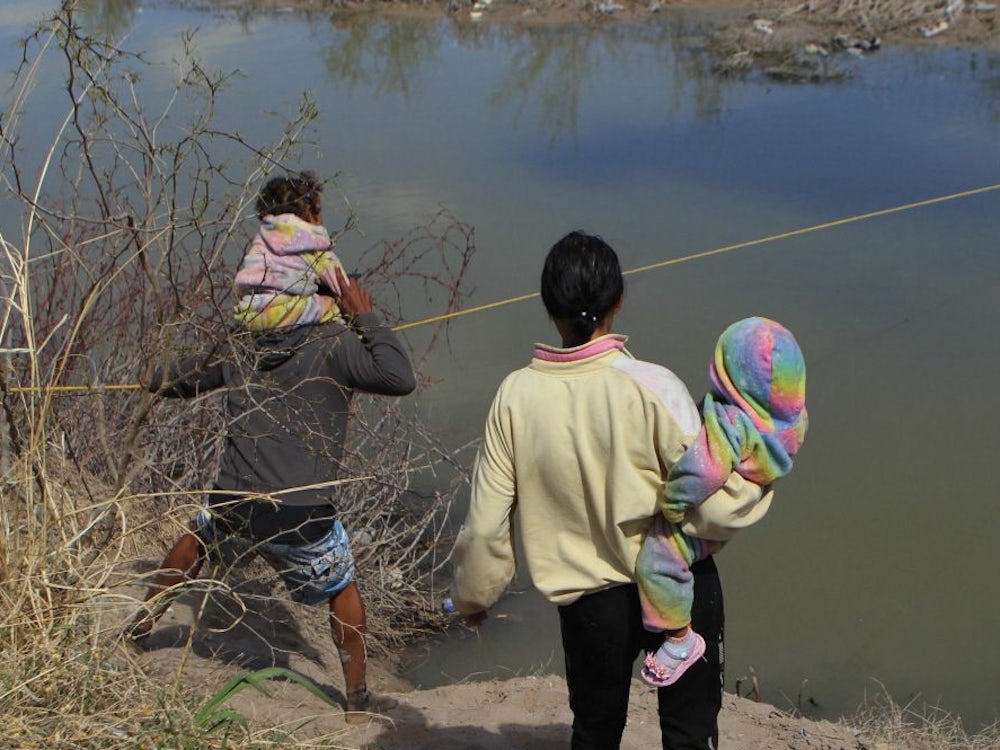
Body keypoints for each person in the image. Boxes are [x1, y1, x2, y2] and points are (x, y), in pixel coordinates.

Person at [449, 230, 768, 750]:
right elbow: (714, 501)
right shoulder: (655, 385)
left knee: (594, 733)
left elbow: (486, 525)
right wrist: (762, 476)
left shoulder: (515, 396)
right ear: (618, 302)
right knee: (692, 735)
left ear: (549, 306)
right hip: (681, 588)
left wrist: (474, 595)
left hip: (588, 606)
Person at [125, 257, 415, 725]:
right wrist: (366, 317)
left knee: (199, 536)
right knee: (342, 585)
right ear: (328, 299)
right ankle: (357, 700)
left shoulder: (243, 342)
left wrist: (148, 376)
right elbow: (400, 377)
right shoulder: (337, 345)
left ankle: (140, 627)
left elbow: (185, 378)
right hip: (301, 518)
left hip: (235, 503)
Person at [635, 317, 808, 688]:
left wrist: (673, 505)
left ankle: (680, 640)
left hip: (702, 517)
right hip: (732, 522)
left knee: (659, 558)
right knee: (696, 552)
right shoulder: (793, 423)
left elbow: (704, 473)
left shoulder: (733, 423)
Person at [234, 170, 349, 331]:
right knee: (332, 308)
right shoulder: (312, 244)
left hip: (249, 314)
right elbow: (343, 288)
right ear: (310, 213)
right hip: (284, 315)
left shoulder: (260, 241)